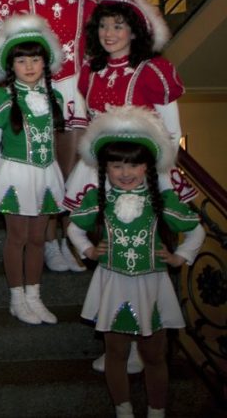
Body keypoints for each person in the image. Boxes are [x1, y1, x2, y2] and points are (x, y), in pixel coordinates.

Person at [62, 0, 193, 376]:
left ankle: (142, 340)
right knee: (111, 255)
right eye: (103, 25)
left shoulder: (154, 70)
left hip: (146, 174)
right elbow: (87, 124)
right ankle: (116, 333)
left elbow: (171, 132)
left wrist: (157, 177)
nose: (109, 33)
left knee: (144, 257)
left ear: (135, 30)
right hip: (100, 173)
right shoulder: (90, 71)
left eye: (118, 25)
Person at [68, 106, 205, 418]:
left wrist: (180, 257)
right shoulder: (99, 200)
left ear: (148, 167)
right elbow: (74, 228)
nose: (125, 173)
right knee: (115, 353)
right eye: (116, 166)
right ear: (105, 168)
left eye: (134, 165)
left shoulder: (163, 202)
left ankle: (157, 411)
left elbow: (196, 230)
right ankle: (123, 410)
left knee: (154, 354)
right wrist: (88, 251)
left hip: (152, 284)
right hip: (112, 283)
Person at [13, 0, 97, 273]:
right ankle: (48, 241)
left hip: (75, 90)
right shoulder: (26, 3)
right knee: (47, 170)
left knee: (72, 170)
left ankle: (68, 238)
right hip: (40, 92)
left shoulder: (89, 2)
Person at [0, 15, 66, 325]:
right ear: (10, 65)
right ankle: (17, 298)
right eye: (21, 60)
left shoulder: (54, 96)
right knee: (18, 237)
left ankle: (34, 296)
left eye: (35, 59)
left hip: (45, 173)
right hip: (15, 174)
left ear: (45, 63)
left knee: (38, 238)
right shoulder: (1, 96)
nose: (29, 66)